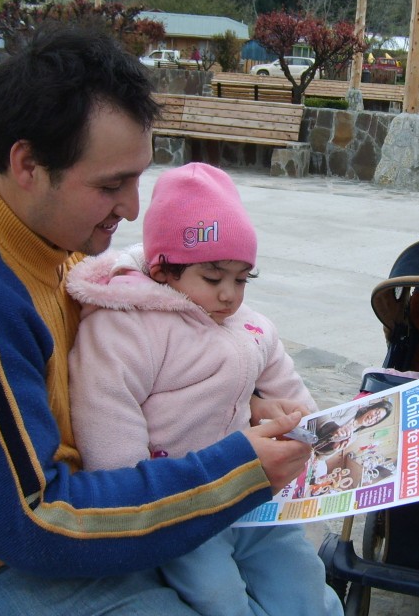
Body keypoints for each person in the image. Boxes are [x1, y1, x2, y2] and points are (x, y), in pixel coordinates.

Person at [0, 26, 312, 616]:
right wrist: (236, 472)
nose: (132, 208)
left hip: (57, 538)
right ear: (28, 164)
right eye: (111, 185)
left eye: (138, 178)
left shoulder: (56, 244)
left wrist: (248, 396)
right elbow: (36, 523)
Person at [65, 162, 342, 616]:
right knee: (218, 597)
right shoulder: (126, 325)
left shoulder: (247, 325)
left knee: (303, 578)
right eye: (213, 278)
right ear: (163, 270)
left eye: (241, 278)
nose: (230, 295)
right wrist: (140, 505)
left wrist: (303, 421)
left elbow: (284, 380)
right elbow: (106, 414)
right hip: (182, 508)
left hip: (253, 493)